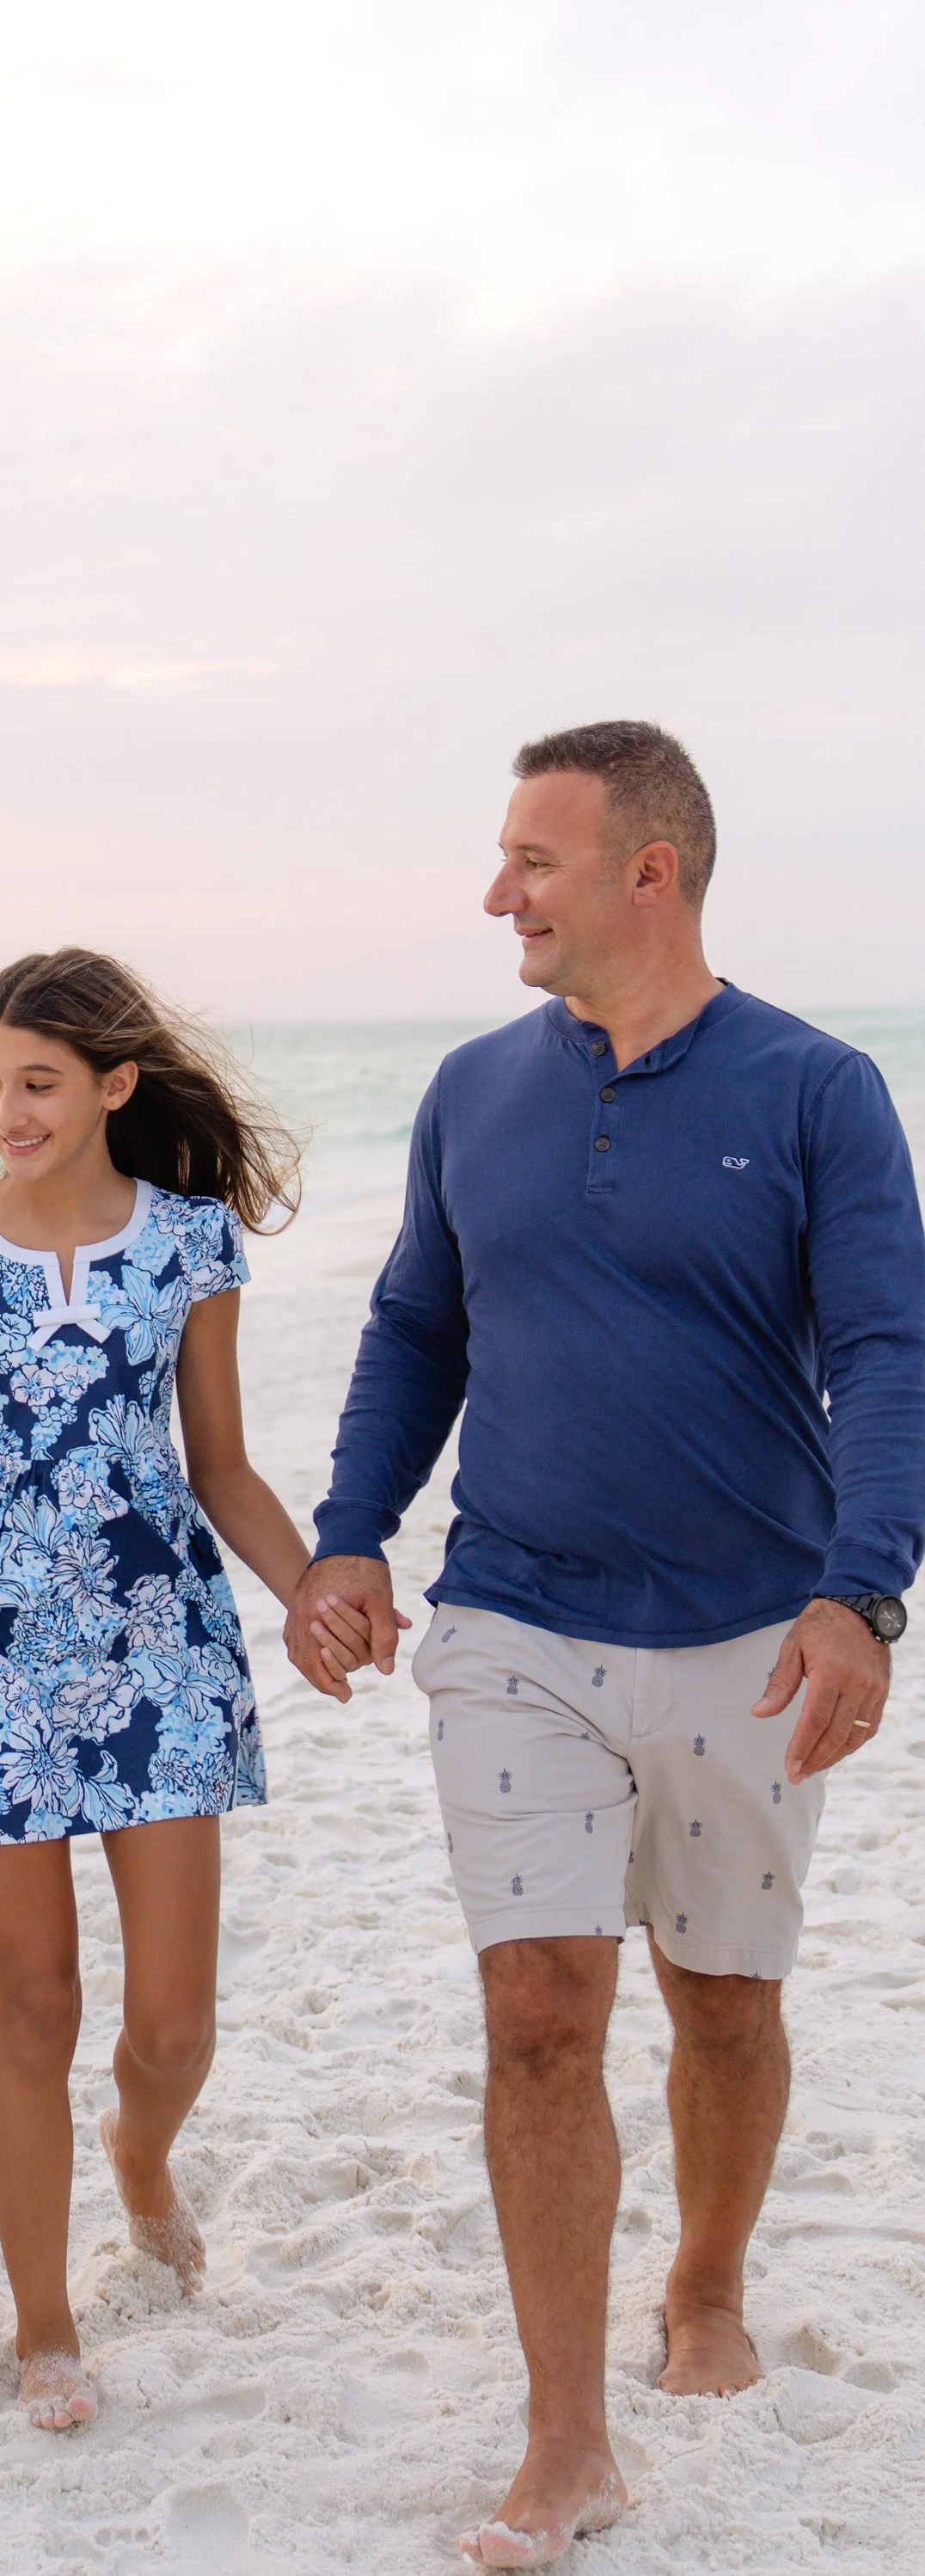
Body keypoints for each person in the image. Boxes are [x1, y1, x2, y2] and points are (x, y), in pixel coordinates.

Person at [285, 721, 925, 2568]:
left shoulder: (813, 1087)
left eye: (530, 861)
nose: (496, 892)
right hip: (514, 1617)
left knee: (720, 1998)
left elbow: (884, 1352)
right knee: (539, 2013)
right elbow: (417, 1323)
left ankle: (705, 2281)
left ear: (646, 869)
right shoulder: (472, 1087)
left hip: (747, 1630)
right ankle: (562, 2435)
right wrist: (349, 1533)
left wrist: (858, 1584)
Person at [0, 949, 366, 2432]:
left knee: (176, 2022)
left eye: (38, 1082)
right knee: (35, 2003)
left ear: (113, 1087)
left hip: (162, 1651)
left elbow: (223, 1467)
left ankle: (142, 2157)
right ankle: (44, 2324)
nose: (5, 1108)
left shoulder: (192, 1242)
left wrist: (312, 1590)